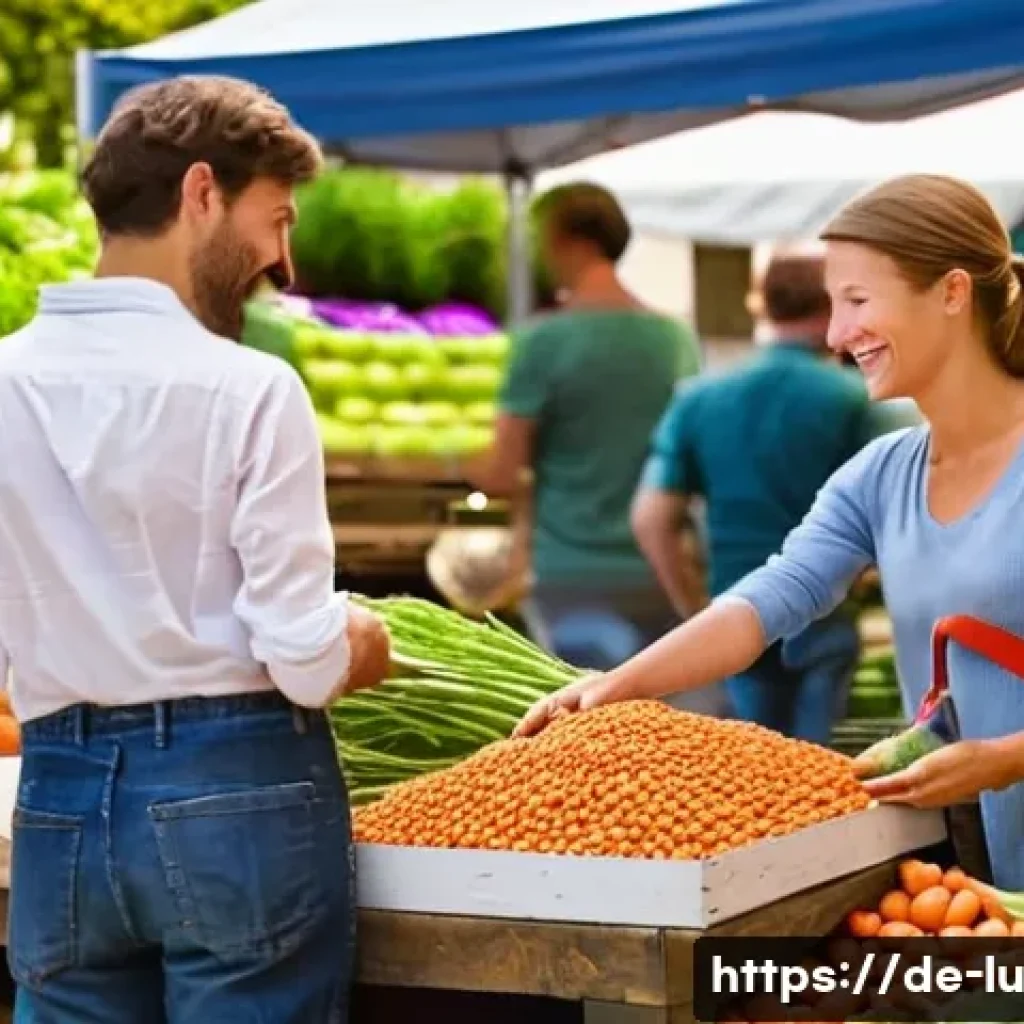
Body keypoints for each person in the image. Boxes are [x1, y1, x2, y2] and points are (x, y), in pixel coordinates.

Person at [1, 76, 390, 1022]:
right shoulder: (249, 388)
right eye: (278, 219)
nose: (284, 263)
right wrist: (359, 644)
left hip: (57, 795)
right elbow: (301, 659)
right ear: (202, 193)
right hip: (239, 795)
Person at [516, 173, 1024, 892]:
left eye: (857, 301)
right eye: (831, 305)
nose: (836, 334)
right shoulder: (881, 473)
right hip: (995, 881)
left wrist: (1005, 758)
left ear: (951, 292)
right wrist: (611, 690)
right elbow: (769, 600)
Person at [471, 183, 729, 715]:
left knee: (578, 750)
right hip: (660, 571)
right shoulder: (674, 339)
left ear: (567, 240)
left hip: (571, 573)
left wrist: (454, 459)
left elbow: (501, 471)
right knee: (663, 751)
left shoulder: (543, 342)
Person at [631, 250, 879, 744]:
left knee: (752, 778)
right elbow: (888, 510)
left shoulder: (701, 397)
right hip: (824, 621)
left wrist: (694, 607)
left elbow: (650, 518)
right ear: (830, 306)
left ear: (763, 308)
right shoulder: (852, 396)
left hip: (734, 614)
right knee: (818, 782)